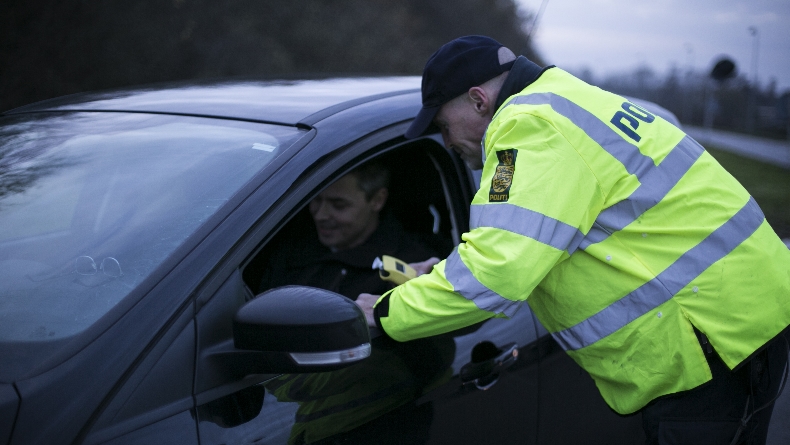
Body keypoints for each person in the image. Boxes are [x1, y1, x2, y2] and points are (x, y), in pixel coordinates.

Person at [355, 35, 790, 444]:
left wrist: (382, 315)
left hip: (715, 340)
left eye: (443, 125)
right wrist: (443, 273)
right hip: (733, 317)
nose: (446, 141)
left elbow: (498, 270)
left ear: (477, 99)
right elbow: (525, 236)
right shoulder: (561, 98)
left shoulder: (527, 130)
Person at [259, 162, 453, 444]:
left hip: (379, 421)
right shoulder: (288, 252)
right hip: (285, 404)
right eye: (316, 200)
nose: (321, 215)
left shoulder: (412, 264)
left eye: (338, 204)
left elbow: (434, 350)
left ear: (377, 200)